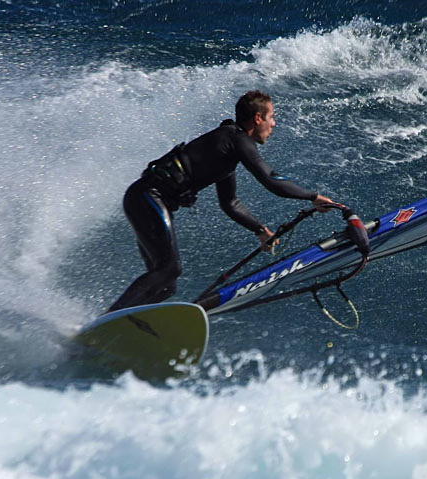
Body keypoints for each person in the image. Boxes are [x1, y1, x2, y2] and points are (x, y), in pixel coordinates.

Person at [107, 90, 335, 313]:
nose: (273, 124)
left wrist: (259, 229)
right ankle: (107, 320)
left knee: (166, 285)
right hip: (147, 196)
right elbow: (272, 181)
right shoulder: (236, 138)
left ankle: (124, 325)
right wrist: (313, 196)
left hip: (147, 199)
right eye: (271, 117)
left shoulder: (226, 152)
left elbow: (230, 203)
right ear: (258, 118)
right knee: (168, 270)